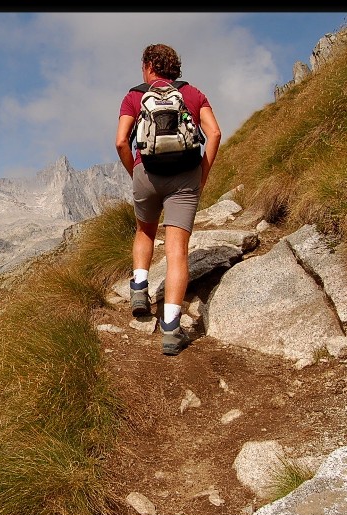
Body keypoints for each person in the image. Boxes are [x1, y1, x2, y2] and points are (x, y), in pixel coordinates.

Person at [115, 43, 221, 356]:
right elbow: (213, 134)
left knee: (145, 231)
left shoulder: (135, 96)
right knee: (177, 252)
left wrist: (134, 171)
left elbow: (121, 140)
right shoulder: (193, 94)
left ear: (149, 67)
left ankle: (139, 290)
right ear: (175, 68)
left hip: (145, 173)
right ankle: (172, 330)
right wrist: (202, 173)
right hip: (185, 177)